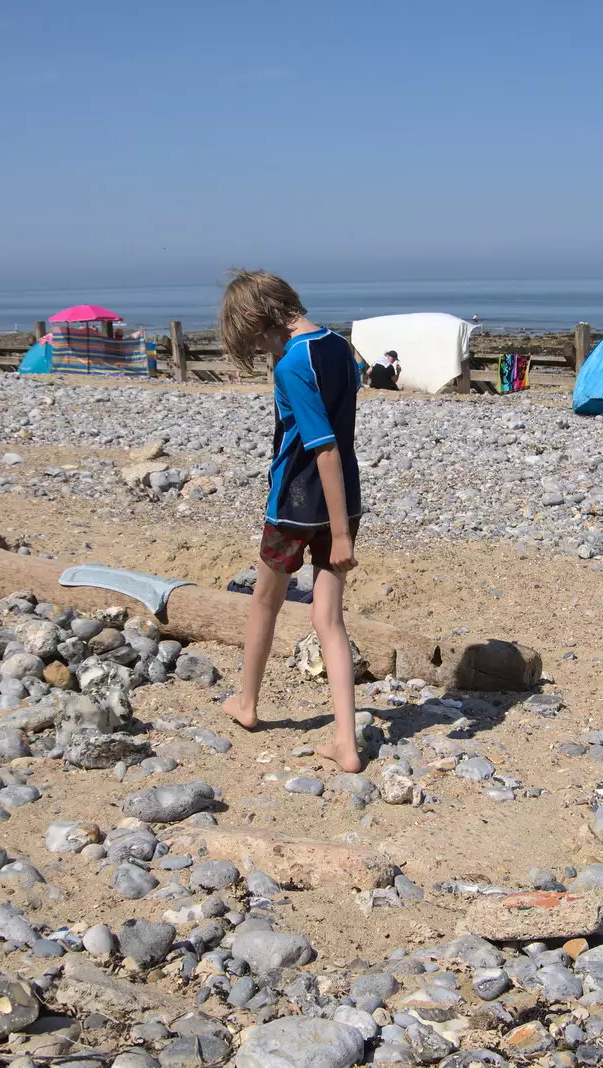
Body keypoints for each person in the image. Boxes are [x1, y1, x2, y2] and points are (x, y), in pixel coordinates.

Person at [217, 269, 364, 771]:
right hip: (345, 493)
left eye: (253, 339)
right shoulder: (340, 346)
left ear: (260, 320)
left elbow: (320, 447)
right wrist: (343, 522)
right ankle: (347, 741)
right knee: (329, 619)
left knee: (266, 601)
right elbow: (340, 437)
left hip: (295, 502)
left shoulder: (291, 364)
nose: (259, 350)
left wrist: (339, 535)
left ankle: (248, 704)